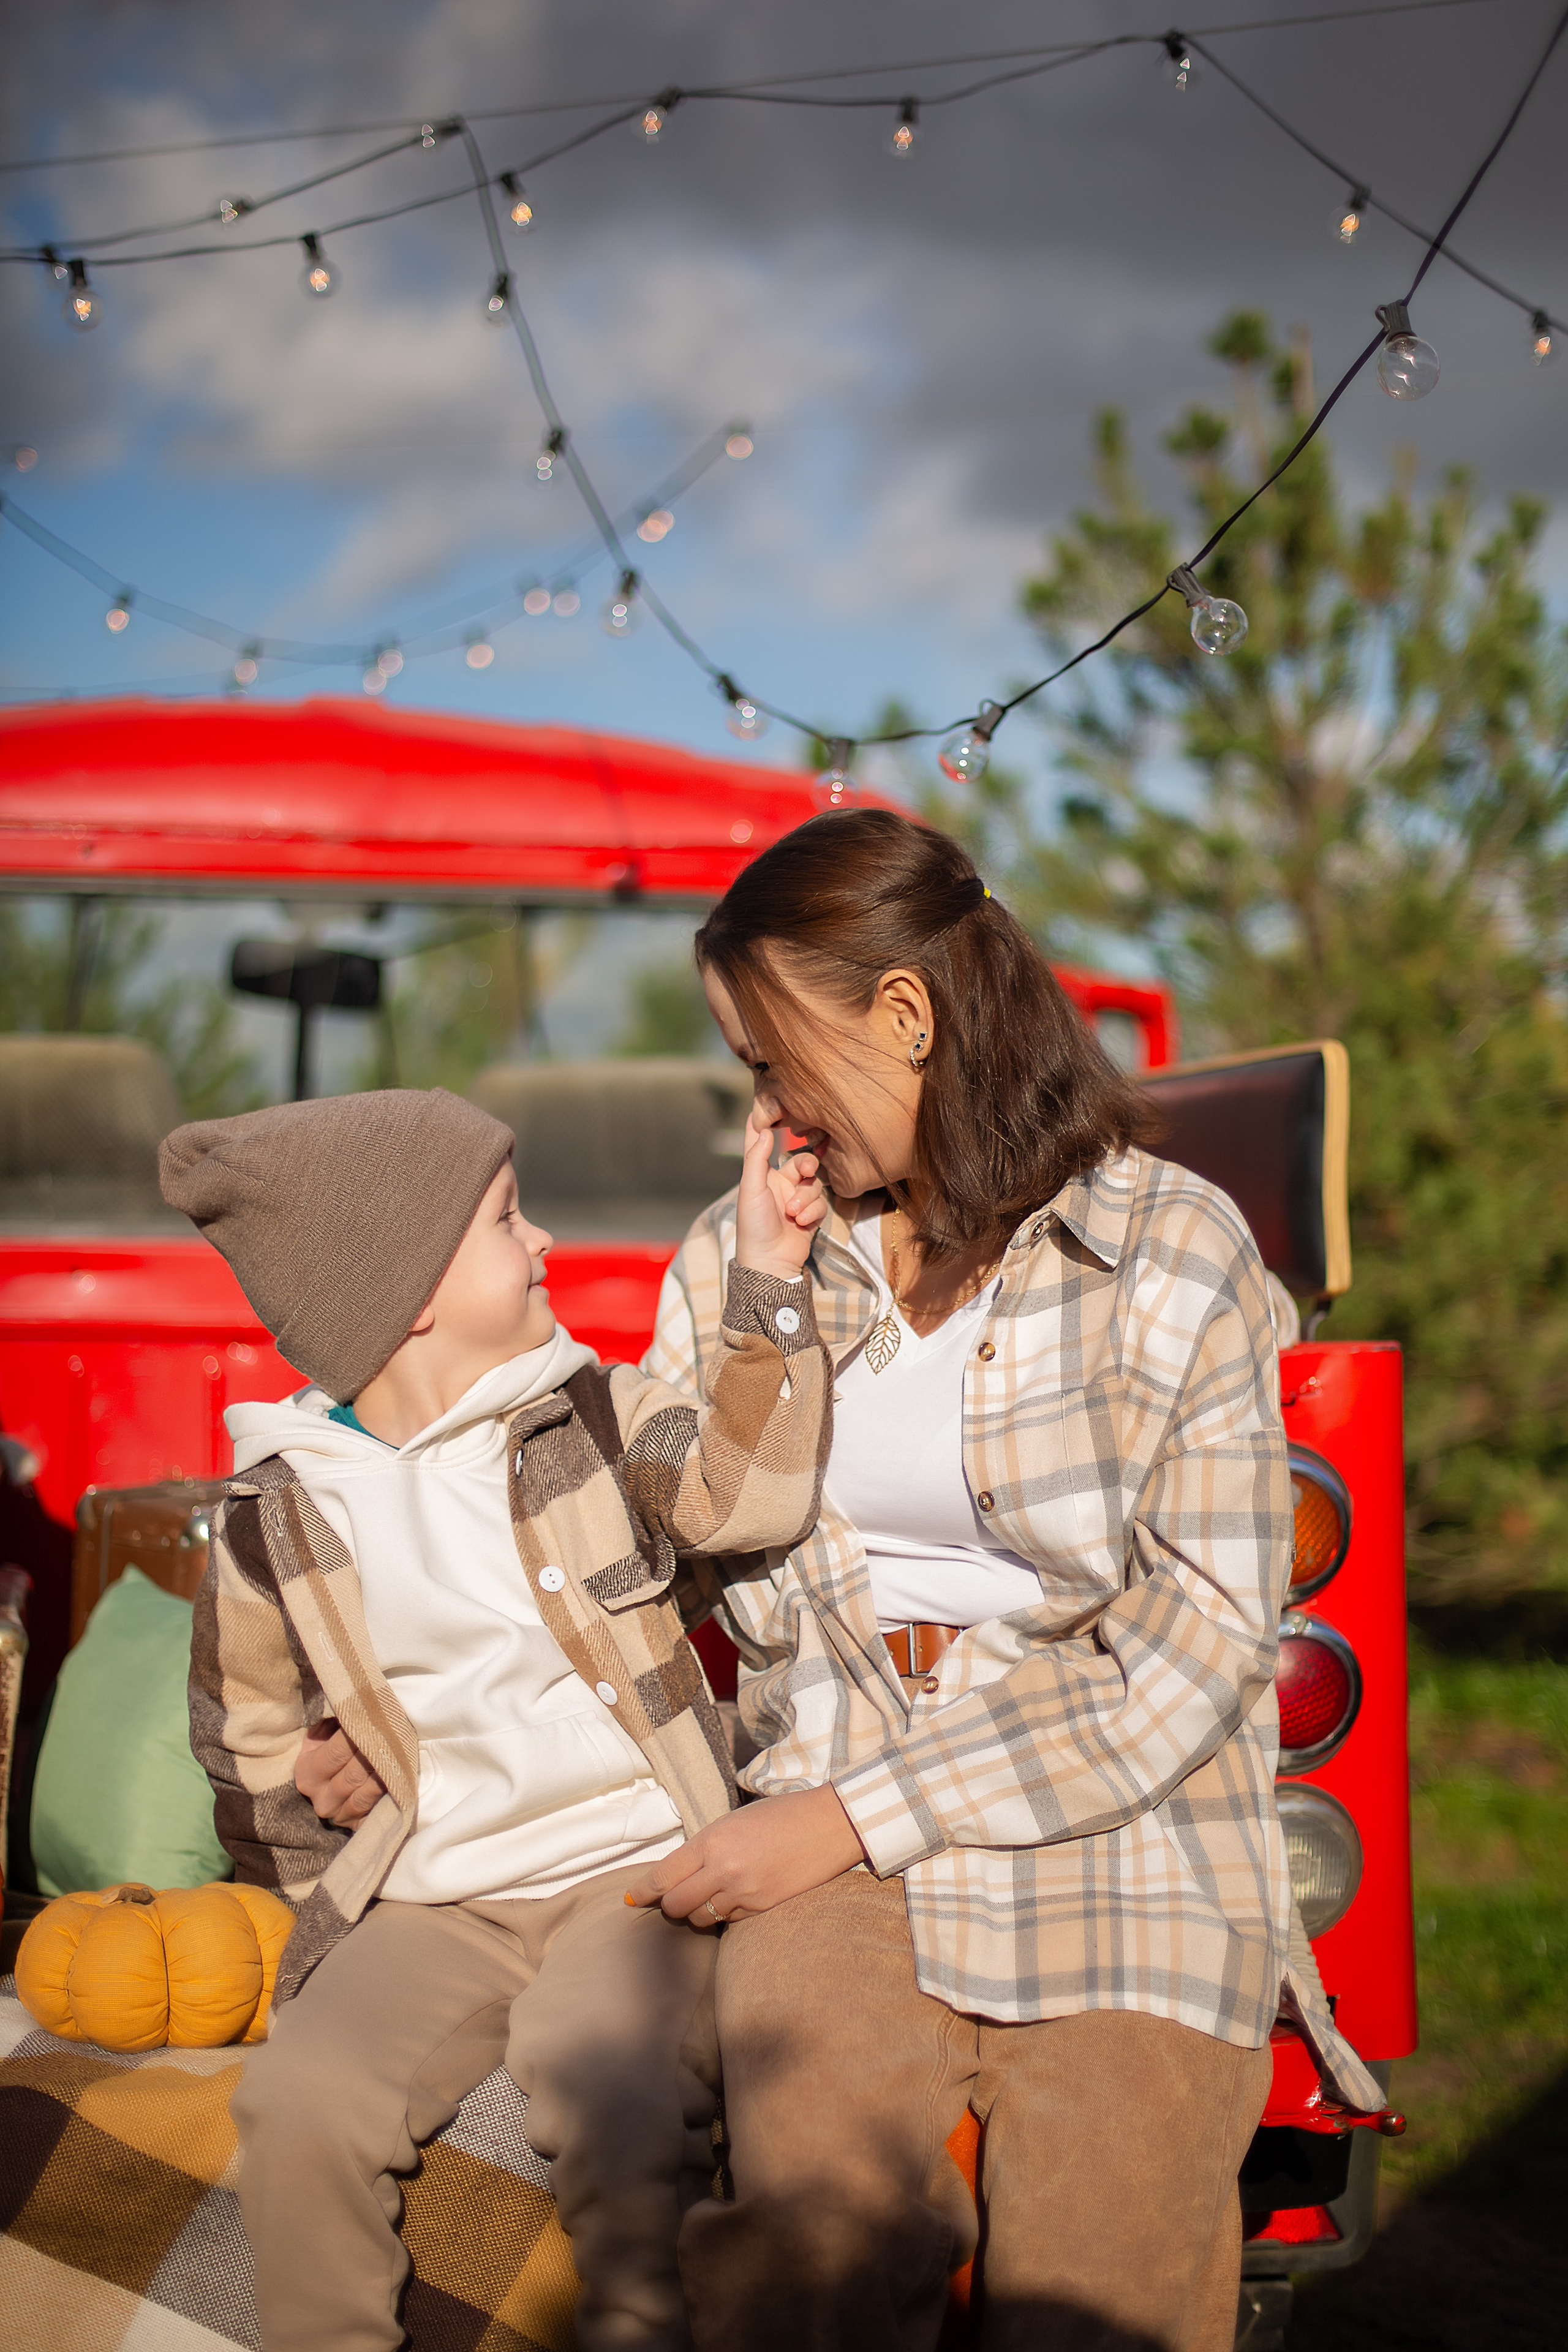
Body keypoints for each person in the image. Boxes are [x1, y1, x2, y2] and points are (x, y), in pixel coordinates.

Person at [628, 808, 1384, 2352]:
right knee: (803, 2264)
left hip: (1125, 1827)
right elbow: (675, 1526)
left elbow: (1193, 1650)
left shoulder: (1172, 1254)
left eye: (772, 1060)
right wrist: (765, 1302)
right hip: (828, 1804)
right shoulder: (745, 1248)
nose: (764, 1112)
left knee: (1098, 2287)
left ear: (904, 1016)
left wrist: (855, 1819)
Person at [159, 1085, 829, 2352]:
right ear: (408, 1289)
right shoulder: (277, 1515)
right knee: (299, 2105)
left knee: (617, 2091)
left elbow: (746, 1497)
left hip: (628, 1880)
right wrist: (323, 1842)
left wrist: (769, 1280)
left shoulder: (589, 1419)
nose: (544, 1242)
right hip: (435, 1905)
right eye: (510, 1219)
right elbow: (245, 1740)